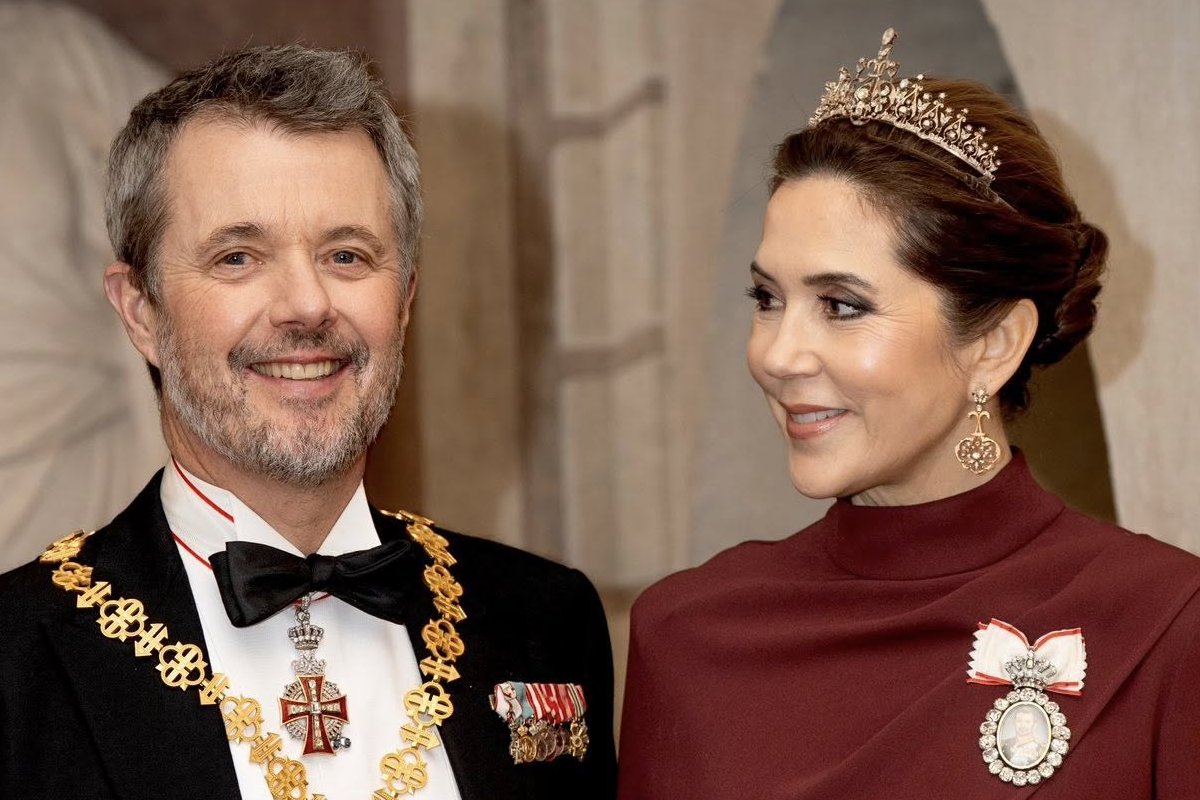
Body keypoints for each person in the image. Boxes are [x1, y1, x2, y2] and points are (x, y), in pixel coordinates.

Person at [0, 44, 615, 800]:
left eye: (348, 255)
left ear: (407, 298)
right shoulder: (13, 656)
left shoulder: (547, 620)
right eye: (237, 257)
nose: (307, 305)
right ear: (141, 311)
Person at [617, 28, 1200, 799]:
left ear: (995, 344)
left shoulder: (1165, 623)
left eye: (842, 306)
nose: (779, 354)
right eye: (767, 299)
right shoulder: (688, 635)